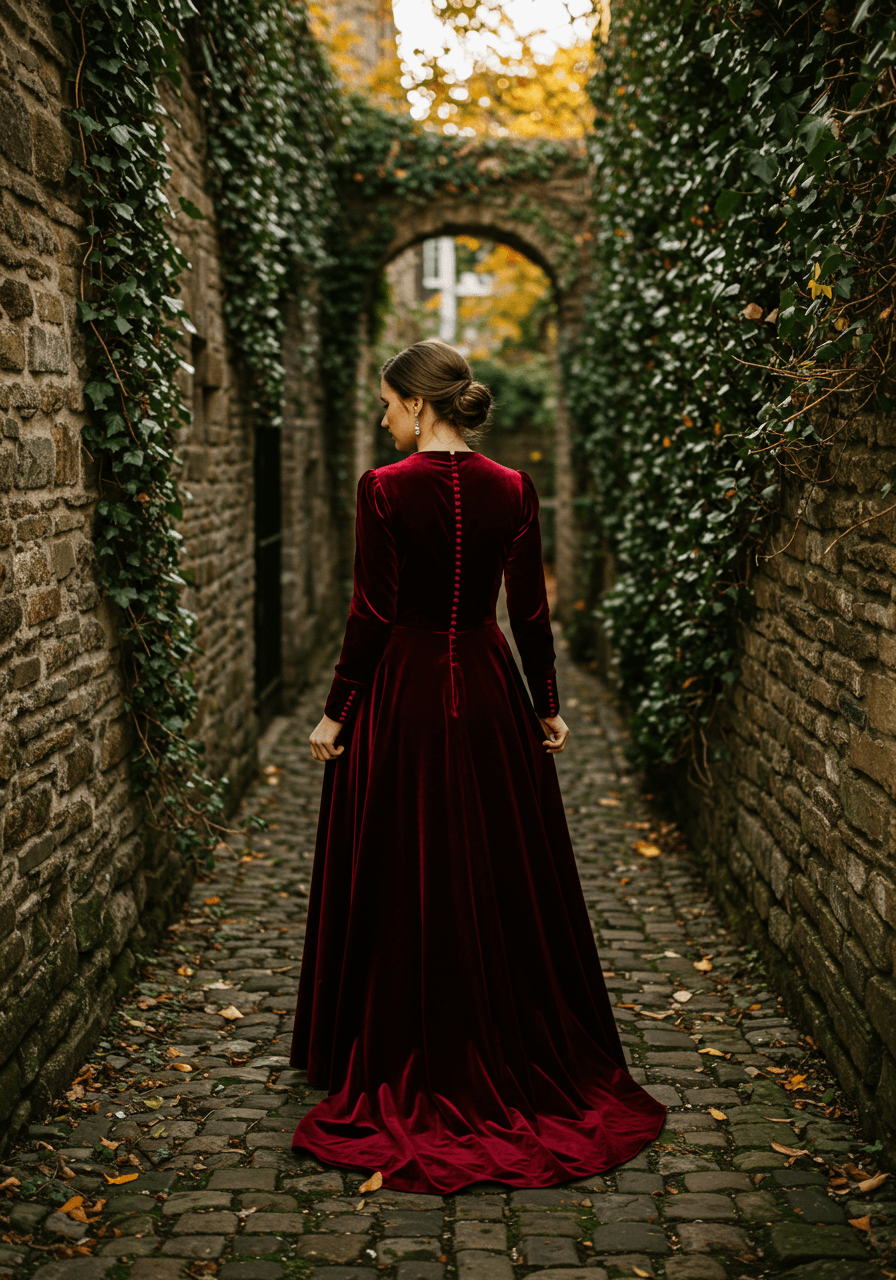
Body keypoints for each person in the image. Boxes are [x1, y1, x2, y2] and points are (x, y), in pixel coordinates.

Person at [289, 339, 666, 1194]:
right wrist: (546, 702)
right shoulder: (514, 488)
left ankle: (402, 1040)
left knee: (403, 859)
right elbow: (529, 610)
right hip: (491, 688)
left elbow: (372, 612)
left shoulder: (384, 489)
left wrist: (336, 710)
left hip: (407, 694)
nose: (382, 418)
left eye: (388, 403)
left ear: (420, 404)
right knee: (499, 860)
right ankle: (507, 1028)